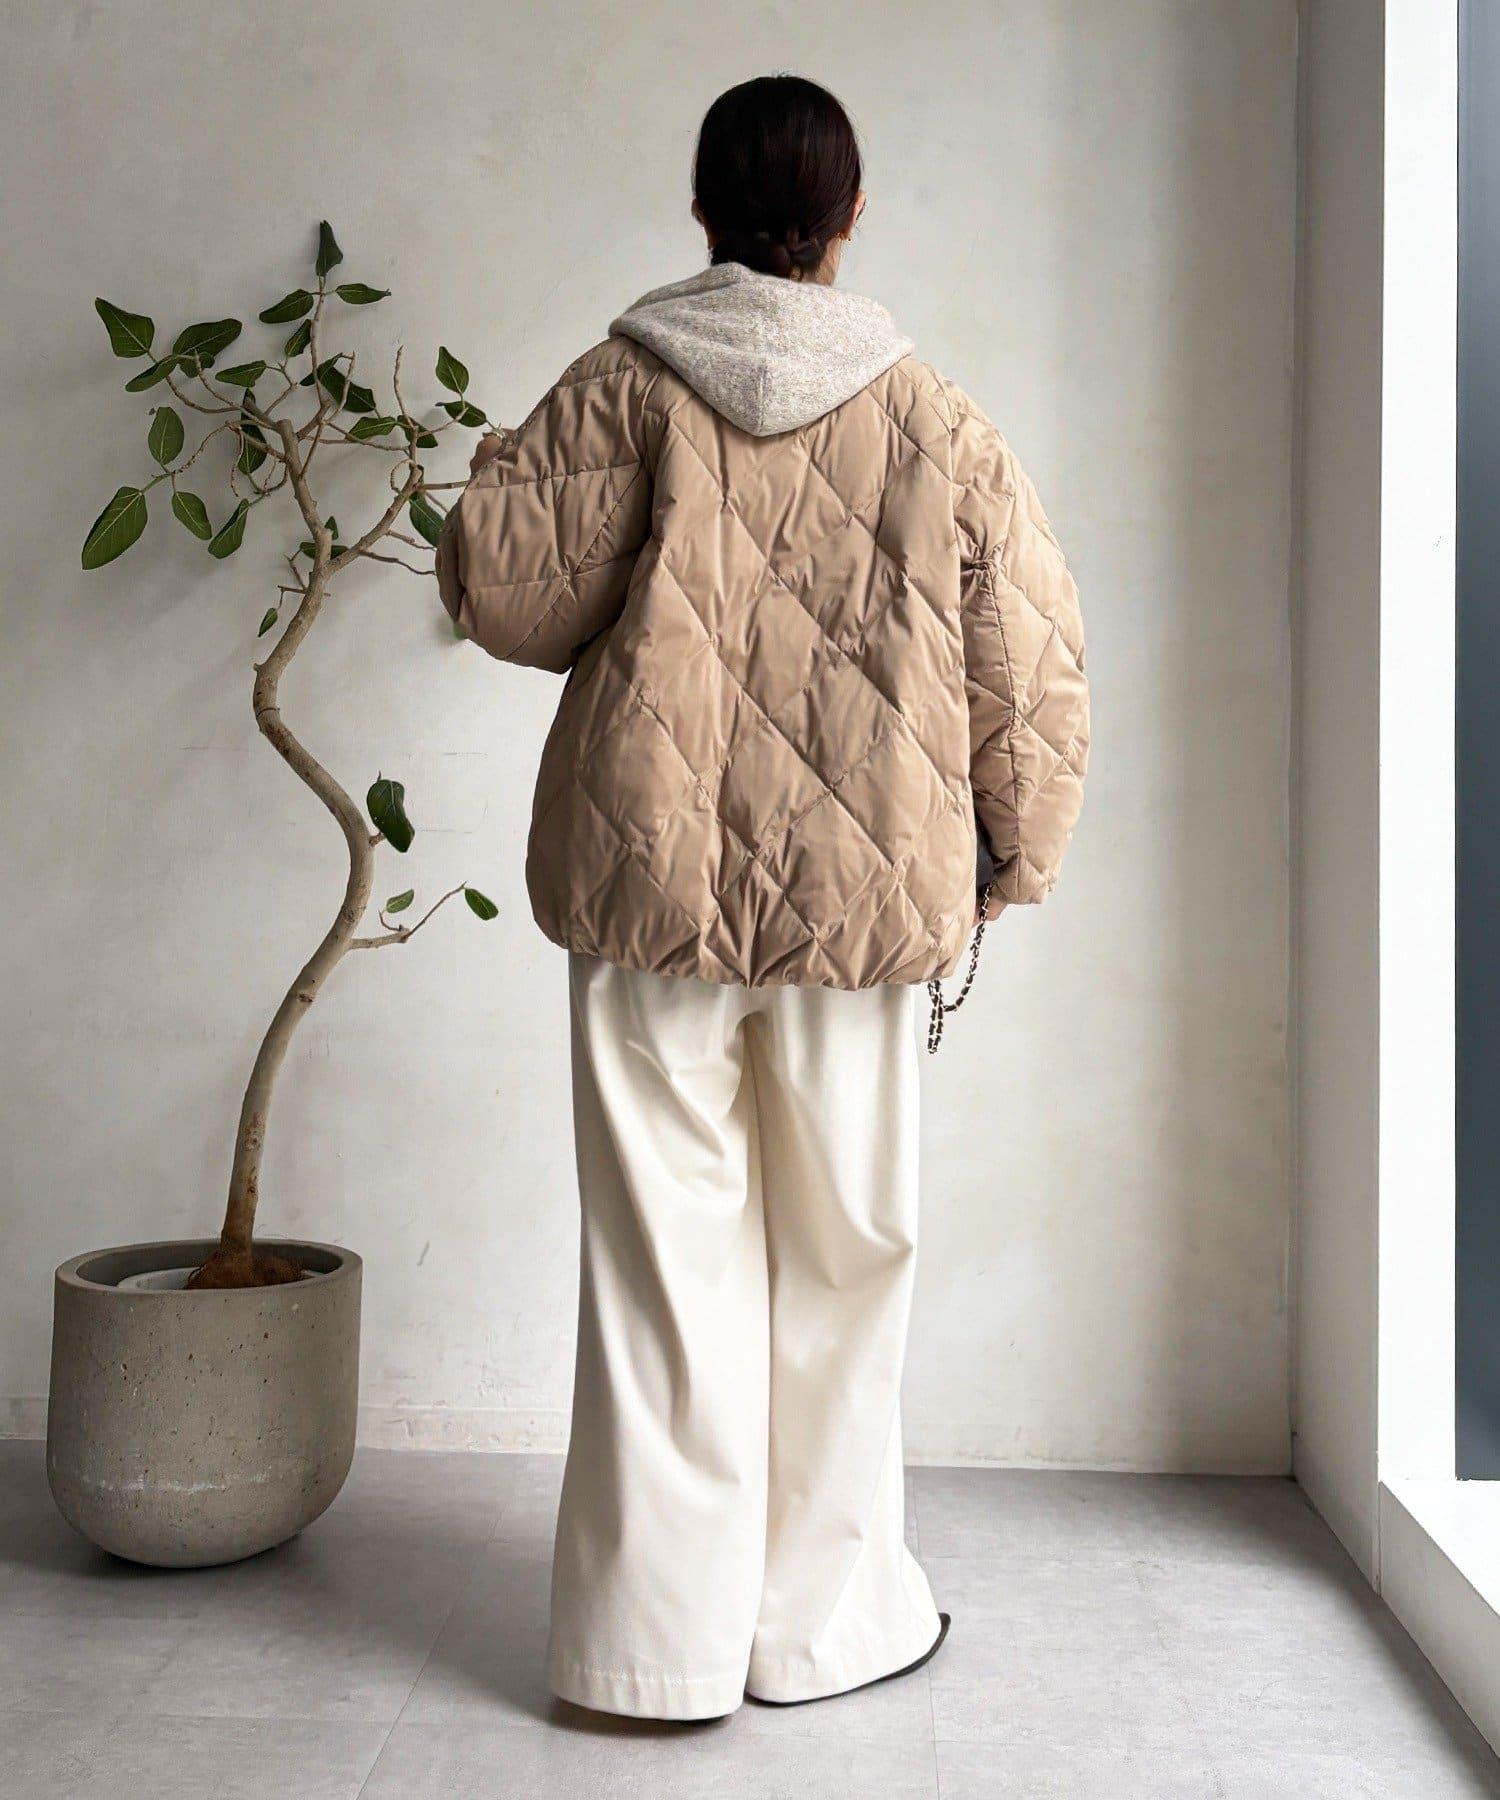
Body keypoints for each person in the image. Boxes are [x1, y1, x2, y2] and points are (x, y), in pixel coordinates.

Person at [436, 73, 1089, 1721]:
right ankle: (826, 1628)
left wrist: (522, 462)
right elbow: (1029, 656)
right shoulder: (933, 414)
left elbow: (501, 593)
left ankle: (650, 1652)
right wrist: (1018, 849)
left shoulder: (625, 379)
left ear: (705, 211)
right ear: (851, 217)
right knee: (851, 1259)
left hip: (650, 881)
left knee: (663, 1271)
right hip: (862, 905)